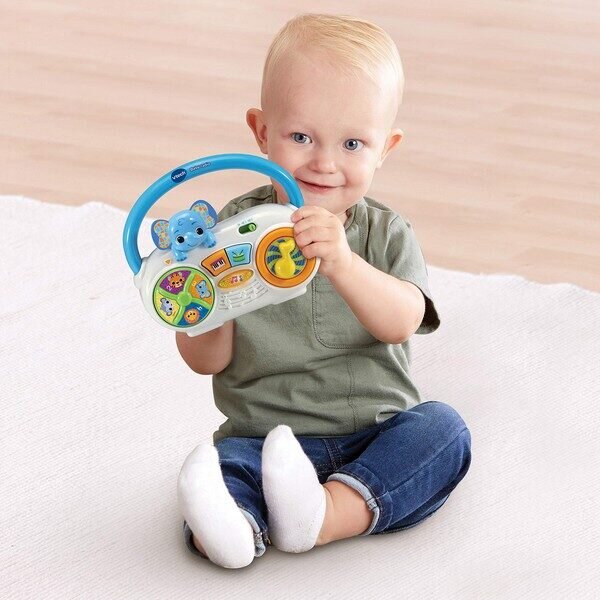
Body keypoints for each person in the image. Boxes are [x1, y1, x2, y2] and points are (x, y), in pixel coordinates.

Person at [175, 13, 471, 569]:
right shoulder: (230, 234)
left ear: (386, 148)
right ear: (261, 132)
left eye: (353, 143)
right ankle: (231, 531)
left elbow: (401, 322)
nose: (324, 163)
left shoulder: (386, 232)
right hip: (261, 438)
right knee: (226, 471)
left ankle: (327, 514)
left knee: (444, 432)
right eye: (301, 137)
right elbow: (205, 361)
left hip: (375, 434)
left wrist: (343, 263)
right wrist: (207, 302)